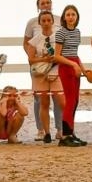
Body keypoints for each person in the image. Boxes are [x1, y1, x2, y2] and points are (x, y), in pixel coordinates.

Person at [51, 5, 86, 147]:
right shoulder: (61, 33)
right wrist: (73, 65)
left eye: (73, 14)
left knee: (76, 100)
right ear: (64, 17)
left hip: (75, 64)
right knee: (70, 101)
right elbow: (57, 56)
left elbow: (75, 53)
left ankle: (71, 132)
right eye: (68, 14)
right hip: (66, 66)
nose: (71, 17)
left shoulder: (77, 32)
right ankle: (65, 135)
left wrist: (83, 69)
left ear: (77, 17)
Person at [22, 0, 54, 140]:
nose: (45, 4)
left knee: (59, 100)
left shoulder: (59, 24)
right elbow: (28, 46)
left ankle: (61, 129)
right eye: (42, 3)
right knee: (41, 101)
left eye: (48, 2)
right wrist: (40, 60)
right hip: (39, 69)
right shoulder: (31, 24)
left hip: (55, 68)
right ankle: (42, 130)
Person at [26, 10, 61, 144]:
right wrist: (44, 59)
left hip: (56, 72)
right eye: (43, 21)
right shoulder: (35, 40)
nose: (46, 23)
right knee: (44, 102)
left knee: (60, 101)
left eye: (48, 20)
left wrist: (54, 60)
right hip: (40, 74)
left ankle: (61, 129)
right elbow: (30, 59)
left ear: (53, 21)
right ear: (40, 22)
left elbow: (62, 55)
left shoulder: (59, 38)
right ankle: (46, 132)